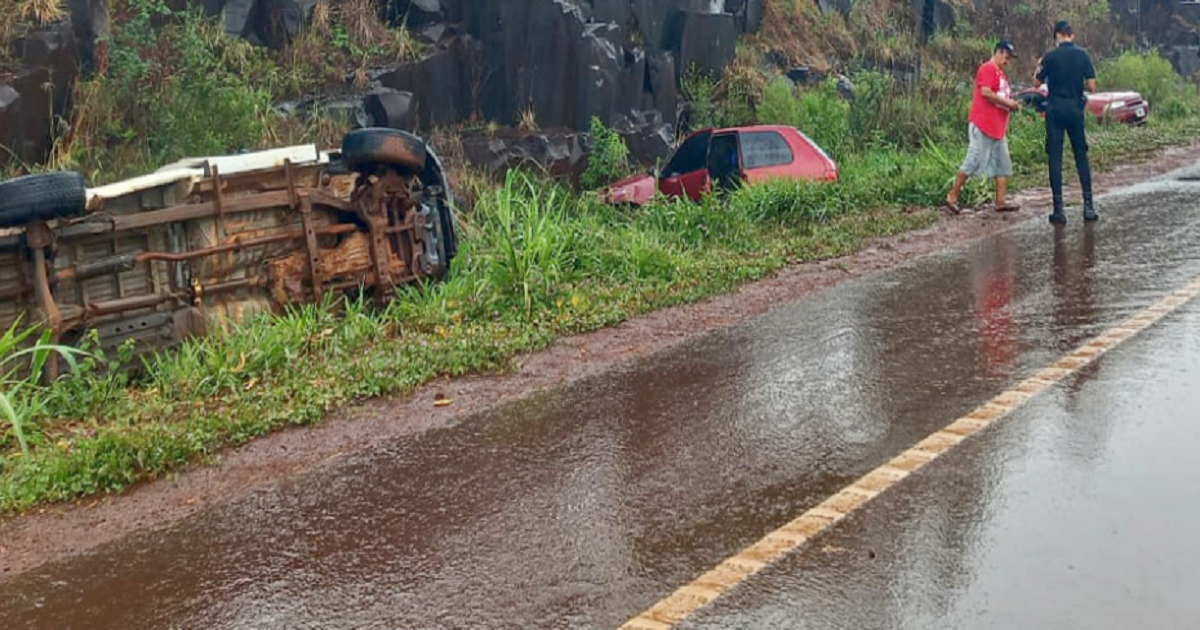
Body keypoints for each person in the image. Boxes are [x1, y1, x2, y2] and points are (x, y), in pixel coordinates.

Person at [946, 40, 1023, 214]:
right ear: (999, 52)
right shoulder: (988, 69)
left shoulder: (1002, 75)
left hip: (998, 128)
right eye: (1006, 57)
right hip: (983, 125)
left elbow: (1002, 99)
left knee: (1002, 164)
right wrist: (1008, 103)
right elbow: (986, 92)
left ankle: (1001, 202)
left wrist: (1012, 106)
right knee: (973, 160)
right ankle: (952, 196)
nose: (1007, 61)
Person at [1035, 20, 1098, 224]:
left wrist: (1039, 66)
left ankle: (1059, 209)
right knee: (1081, 155)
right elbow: (1092, 86)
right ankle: (1088, 206)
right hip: (1075, 110)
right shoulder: (1083, 55)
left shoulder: (1050, 57)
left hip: (1055, 110)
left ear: (1057, 36)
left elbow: (1037, 83)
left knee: (1055, 157)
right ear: (1072, 34)